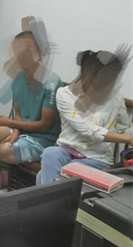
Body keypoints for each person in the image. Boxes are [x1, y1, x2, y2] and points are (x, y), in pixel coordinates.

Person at [0, 30, 62, 196]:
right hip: (23, 131)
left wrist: (11, 124)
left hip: (43, 140)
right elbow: (18, 114)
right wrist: (15, 131)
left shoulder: (52, 82)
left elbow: (44, 126)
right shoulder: (17, 80)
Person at [37, 47, 133, 184]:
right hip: (66, 150)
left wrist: (129, 135)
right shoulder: (64, 94)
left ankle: (51, 197)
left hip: (97, 158)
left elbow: (124, 128)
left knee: (45, 175)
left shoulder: (116, 97)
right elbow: (88, 130)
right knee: (50, 153)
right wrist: (128, 139)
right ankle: (55, 197)